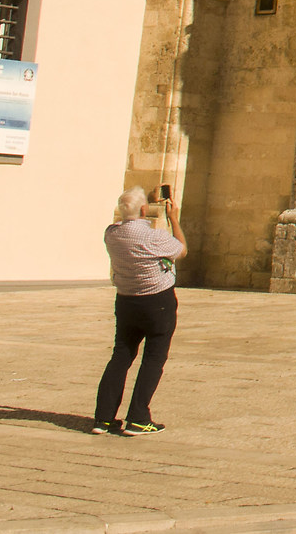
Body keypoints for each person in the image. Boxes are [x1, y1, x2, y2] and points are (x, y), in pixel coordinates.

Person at [95, 186, 186, 436]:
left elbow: (129, 214)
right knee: (154, 358)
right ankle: (138, 417)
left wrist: (146, 197)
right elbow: (181, 249)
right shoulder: (154, 237)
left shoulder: (112, 234)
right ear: (144, 209)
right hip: (158, 302)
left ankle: (103, 418)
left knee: (121, 355)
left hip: (126, 301)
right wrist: (174, 219)